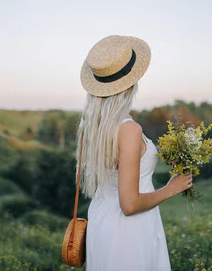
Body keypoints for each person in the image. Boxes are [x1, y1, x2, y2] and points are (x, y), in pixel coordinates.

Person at [76, 35, 193, 271]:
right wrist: (172, 188)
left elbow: (116, 172)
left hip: (102, 223)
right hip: (127, 231)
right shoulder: (128, 129)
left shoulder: (92, 127)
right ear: (131, 83)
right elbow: (129, 205)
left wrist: (161, 155)